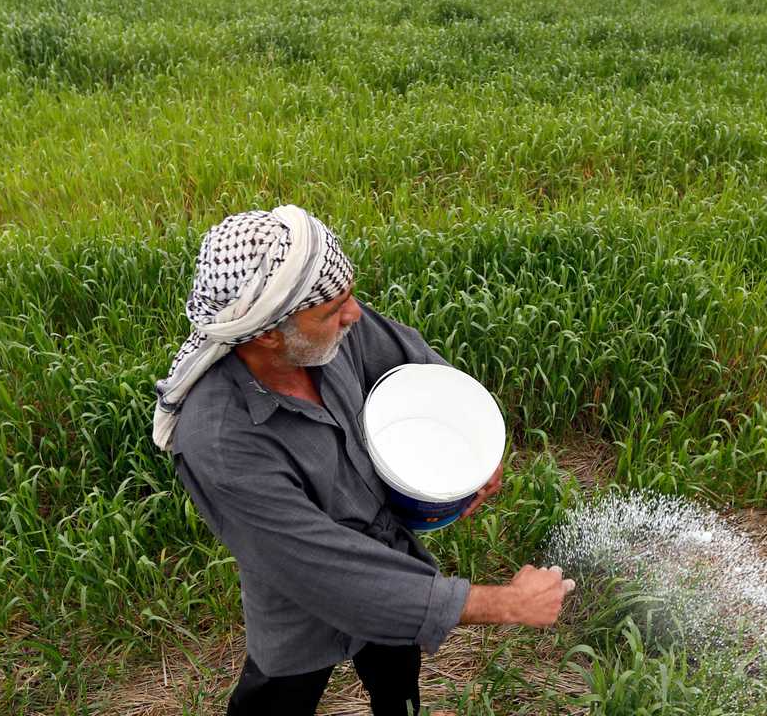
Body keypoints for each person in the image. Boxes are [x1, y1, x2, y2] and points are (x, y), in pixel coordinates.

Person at [152, 206, 575, 716]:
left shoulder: (322, 330)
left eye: (348, 294)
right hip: (300, 598)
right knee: (278, 695)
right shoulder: (221, 438)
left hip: (392, 562)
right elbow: (330, 576)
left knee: (396, 677)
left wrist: (476, 452)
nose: (353, 314)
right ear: (267, 332)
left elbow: (411, 360)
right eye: (334, 308)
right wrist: (504, 603)